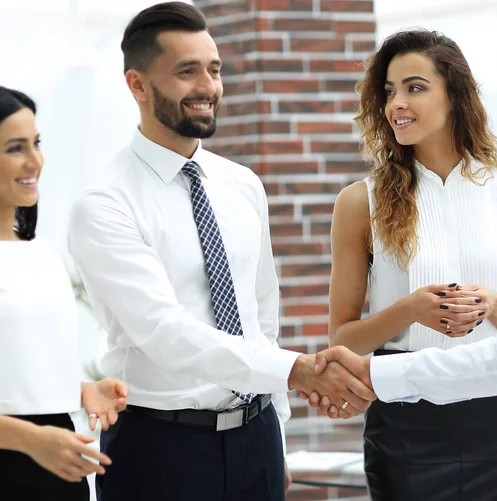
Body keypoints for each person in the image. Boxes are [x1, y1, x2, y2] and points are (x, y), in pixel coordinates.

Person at [66, 3, 376, 501]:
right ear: (137, 85)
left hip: (255, 442)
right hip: (159, 449)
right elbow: (166, 332)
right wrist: (294, 370)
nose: (208, 87)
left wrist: (275, 426)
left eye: (214, 70)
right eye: (186, 72)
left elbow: (261, 316)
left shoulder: (242, 185)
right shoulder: (105, 204)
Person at [309, 0, 497, 500]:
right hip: (405, 430)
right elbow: (344, 338)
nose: (396, 104)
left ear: (456, 95)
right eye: (389, 92)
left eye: (415, 88)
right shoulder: (360, 203)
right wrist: (409, 309)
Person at [0, 86, 129, 501]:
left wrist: (80, 391)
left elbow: (19, 367)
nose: (34, 160)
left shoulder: (42, 252)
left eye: (36, 143)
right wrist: (32, 440)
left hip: (59, 459)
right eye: (15, 148)